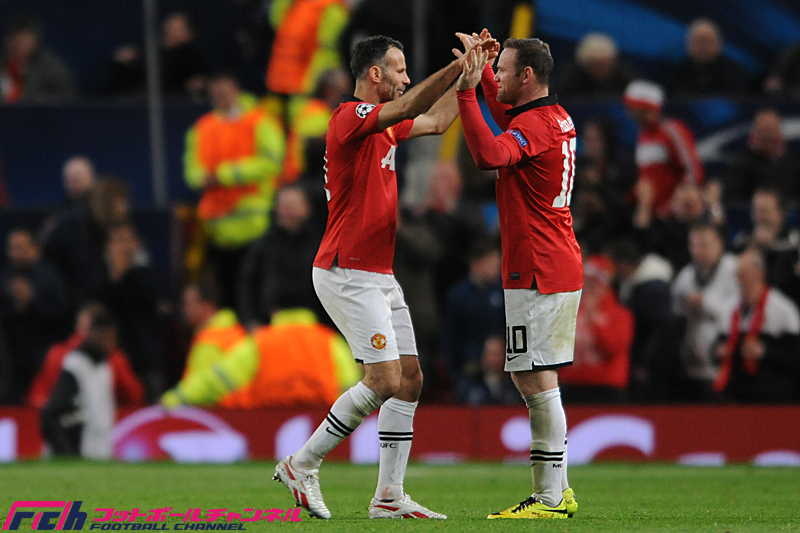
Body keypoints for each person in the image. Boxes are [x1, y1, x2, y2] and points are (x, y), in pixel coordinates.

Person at [273, 33, 493, 520]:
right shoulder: (349, 117)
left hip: (377, 271)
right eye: (399, 68)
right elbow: (414, 104)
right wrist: (456, 67)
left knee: (410, 379)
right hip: (346, 270)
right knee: (384, 378)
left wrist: (470, 81)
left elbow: (436, 120)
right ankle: (301, 464)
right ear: (375, 74)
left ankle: (389, 496)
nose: (406, 78)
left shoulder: (385, 126)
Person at [455, 31, 582, 519]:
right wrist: (485, 72)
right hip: (554, 260)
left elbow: (489, 155)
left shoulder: (535, 126)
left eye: (504, 71)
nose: (497, 79)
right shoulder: (553, 115)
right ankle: (559, 490)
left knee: (533, 378)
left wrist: (467, 91)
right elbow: (506, 111)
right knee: (534, 374)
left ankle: (549, 497)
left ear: (527, 75)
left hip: (537, 267)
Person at [184, 72, 285, 307]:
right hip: (218, 229)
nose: (220, 96)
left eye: (224, 90)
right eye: (215, 92)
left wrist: (224, 175)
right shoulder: (203, 127)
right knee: (226, 295)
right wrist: (203, 178)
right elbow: (192, 172)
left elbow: (272, 162)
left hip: (256, 225)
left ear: (237, 90)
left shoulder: (260, 121)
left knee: (256, 294)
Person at [161, 307, 359, 408]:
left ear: (274, 309)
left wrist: (174, 399)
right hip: (323, 428)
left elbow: (217, 380)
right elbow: (352, 390)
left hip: (265, 430)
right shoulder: (331, 341)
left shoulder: (260, 341)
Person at [713, 248, 800, 402]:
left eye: (744, 275)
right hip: (734, 395)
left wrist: (766, 352)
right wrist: (717, 350)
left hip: (773, 396)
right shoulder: (729, 308)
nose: (739, 280)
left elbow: (795, 356)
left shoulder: (783, 310)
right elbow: (717, 345)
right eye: (738, 275)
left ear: (759, 274)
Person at [237, 185, 325, 329]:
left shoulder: (321, 244)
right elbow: (247, 285)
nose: (287, 211)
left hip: (317, 326)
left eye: (292, 205)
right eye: (283, 206)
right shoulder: (263, 246)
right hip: (269, 325)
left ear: (307, 207)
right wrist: (250, 320)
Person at [26, 301, 144, 409]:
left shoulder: (114, 359)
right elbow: (37, 396)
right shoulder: (58, 355)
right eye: (84, 328)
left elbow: (135, 396)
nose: (86, 334)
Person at [0, 228, 70, 403]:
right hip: (11, 361)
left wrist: (32, 301)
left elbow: (62, 316)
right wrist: (15, 305)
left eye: (21, 248)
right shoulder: (4, 277)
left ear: (35, 249)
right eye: (13, 248)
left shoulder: (51, 278)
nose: (17, 254)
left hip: (43, 358)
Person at [671, 224, 739, 400]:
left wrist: (705, 302)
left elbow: (740, 312)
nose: (698, 251)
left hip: (724, 365)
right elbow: (675, 312)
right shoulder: (686, 275)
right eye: (693, 245)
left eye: (704, 245)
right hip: (692, 365)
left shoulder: (734, 269)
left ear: (720, 244)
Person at [40, 309, 118, 459]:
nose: (110, 344)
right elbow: (51, 414)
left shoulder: (104, 368)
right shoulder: (76, 366)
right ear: (94, 334)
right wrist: (67, 454)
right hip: (77, 454)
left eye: (113, 339)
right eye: (106, 338)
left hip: (98, 454)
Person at [624, 80, 705, 219]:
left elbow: (693, 172)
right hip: (653, 215)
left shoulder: (672, 130)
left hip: (674, 216)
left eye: (633, 109)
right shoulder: (643, 136)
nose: (629, 114)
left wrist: (672, 207)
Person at [560, 255, 633, 403]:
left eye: (594, 285)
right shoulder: (569, 312)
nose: (589, 290)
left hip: (606, 387)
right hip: (571, 385)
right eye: (586, 284)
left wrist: (594, 321)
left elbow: (612, 348)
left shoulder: (620, 315)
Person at [440, 238, 504, 403]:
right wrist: (457, 374)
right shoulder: (458, 296)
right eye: (492, 263)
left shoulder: (504, 293)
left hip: (504, 370)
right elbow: (450, 338)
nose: (496, 268)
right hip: (470, 370)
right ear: (476, 264)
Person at [723, 109, 800, 203]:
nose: (768, 136)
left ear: (780, 132)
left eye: (772, 130)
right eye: (764, 131)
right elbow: (734, 201)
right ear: (754, 134)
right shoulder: (740, 166)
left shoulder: (794, 164)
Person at [1, 14, 76, 103]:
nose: (17, 44)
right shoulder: (4, 62)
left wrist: (35, 101)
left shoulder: (49, 66)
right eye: (14, 39)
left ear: (35, 41)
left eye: (23, 40)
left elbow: (67, 96)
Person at [668, 18, 749, 97]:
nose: (704, 47)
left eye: (708, 42)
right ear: (688, 45)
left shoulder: (734, 72)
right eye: (699, 42)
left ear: (719, 44)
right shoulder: (677, 73)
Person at [555, 33, 637, 99]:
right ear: (587, 65)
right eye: (597, 65)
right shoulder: (570, 80)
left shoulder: (625, 77)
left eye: (607, 64)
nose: (603, 68)